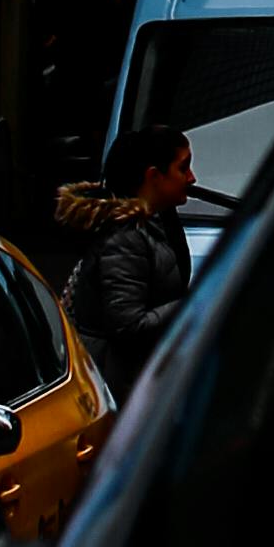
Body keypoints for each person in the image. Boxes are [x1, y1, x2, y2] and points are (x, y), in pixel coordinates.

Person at [63, 134, 198, 397]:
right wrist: (195, 302)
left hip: (136, 379)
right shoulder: (126, 238)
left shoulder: (159, 221)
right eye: (183, 167)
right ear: (153, 176)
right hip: (119, 386)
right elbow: (128, 325)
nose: (192, 178)